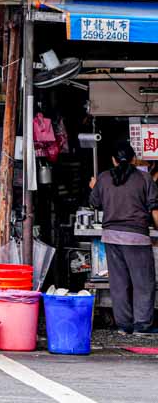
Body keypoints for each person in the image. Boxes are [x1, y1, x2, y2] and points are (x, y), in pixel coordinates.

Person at [90, 141, 158, 335]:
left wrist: (94, 186)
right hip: (137, 237)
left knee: (119, 283)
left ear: (113, 160)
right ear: (134, 159)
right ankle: (142, 325)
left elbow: (94, 203)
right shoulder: (145, 178)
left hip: (111, 237)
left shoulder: (103, 178)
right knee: (143, 283)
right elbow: (154, 208)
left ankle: (124, 325)